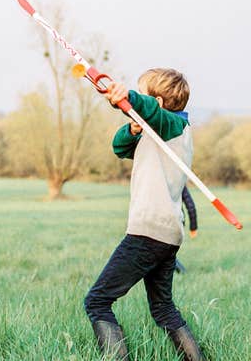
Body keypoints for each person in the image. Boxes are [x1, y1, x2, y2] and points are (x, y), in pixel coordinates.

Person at [83, 68, 206, 361]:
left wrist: (130, 98)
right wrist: (134, 127)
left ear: (159, 103)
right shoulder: (162, 131)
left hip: (148, 232)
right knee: (164, 310)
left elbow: (149, 108)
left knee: (97, 302)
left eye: (145, 94)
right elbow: (120, 148)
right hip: (167, 234)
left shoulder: (172, 125)